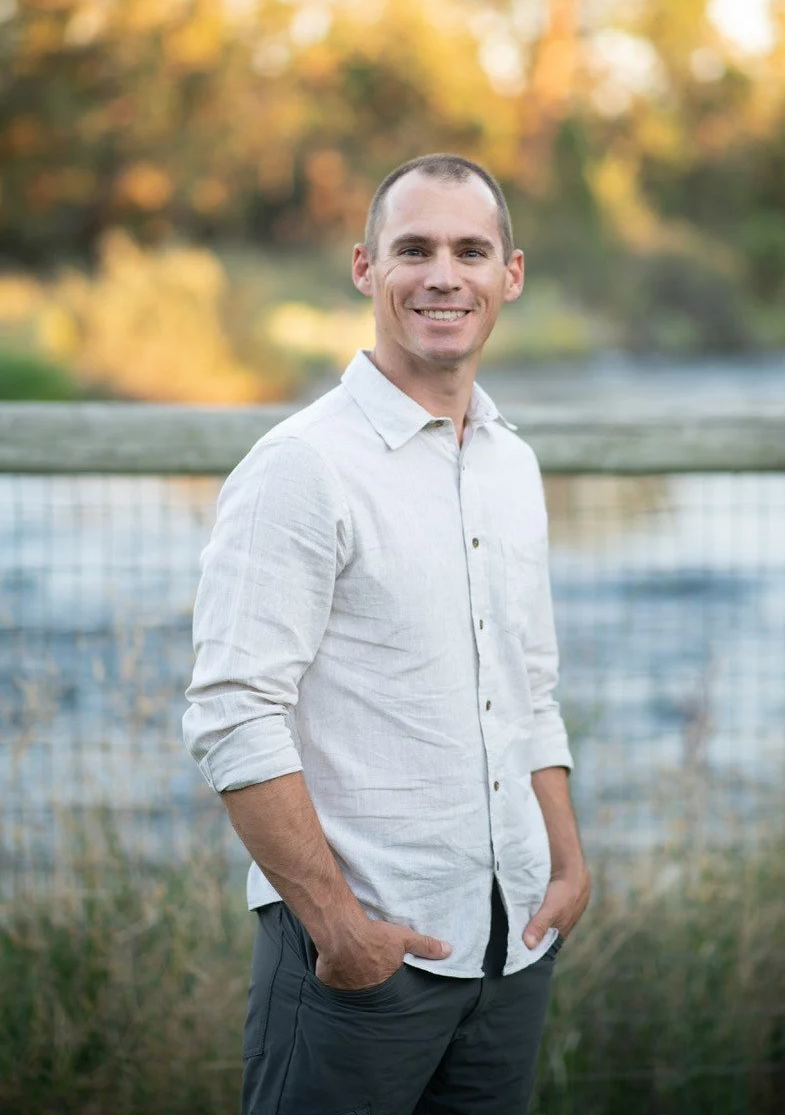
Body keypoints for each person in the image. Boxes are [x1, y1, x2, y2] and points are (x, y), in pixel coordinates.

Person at [183, 153, 591, 1115]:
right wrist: (341, 932)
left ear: (511, 275)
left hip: (514, 949)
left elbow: (528, 687)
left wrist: (565, 868)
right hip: (363, 964)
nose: (443, 275)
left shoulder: (512, 464)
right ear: (366, 268)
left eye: (469, 250)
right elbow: (233, 714)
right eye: (413, 249)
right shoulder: (302, 467)